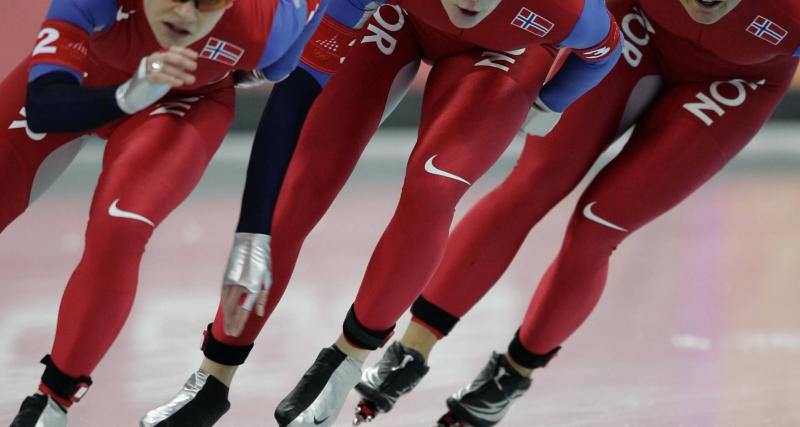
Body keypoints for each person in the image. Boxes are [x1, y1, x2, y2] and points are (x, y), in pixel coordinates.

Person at [352, 0, 800, 425]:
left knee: (598, 226)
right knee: (532, 184)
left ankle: (514, 372)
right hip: (636, 32)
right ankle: (413, 348)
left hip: (742, 80)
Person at [259, 0, 623, 425]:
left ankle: (357, 356)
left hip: (512, 47)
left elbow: (605, 47)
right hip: (406, 18)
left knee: (439, 188)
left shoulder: (568, 11)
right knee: (306, 167)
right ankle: (219, 368)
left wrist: (554, 101)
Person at [1, 0, 325, 425]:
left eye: (208, 3)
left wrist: (252, 231)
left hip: (185, 97)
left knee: (120, 230)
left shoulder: (270, 24)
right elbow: (44, 105)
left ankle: (52, 403)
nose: (187, 15)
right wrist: (126, 95)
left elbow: (280, 70)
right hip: (85, 78)